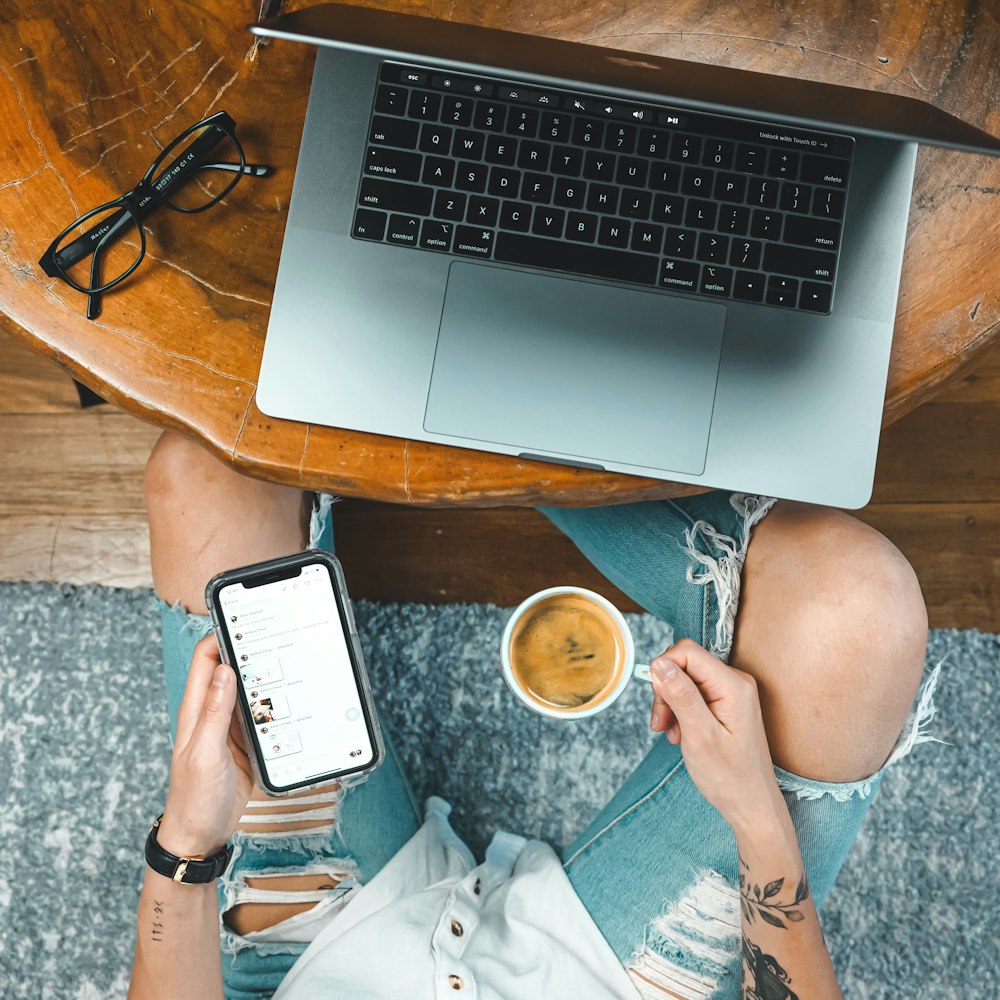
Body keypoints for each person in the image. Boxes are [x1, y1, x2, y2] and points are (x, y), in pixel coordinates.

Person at [129, 430, 932, 1000]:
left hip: (313, 945)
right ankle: (512, 421)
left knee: (206, 472)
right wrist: (758, 818)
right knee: (857, 607)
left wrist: (188, 847)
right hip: (628, 976)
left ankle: (440, 411)